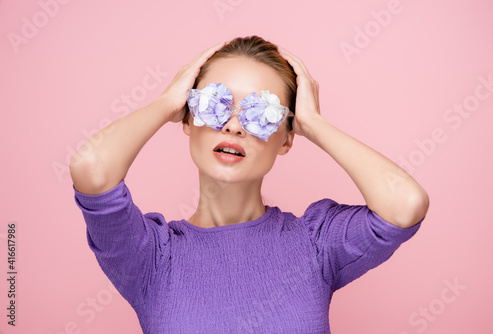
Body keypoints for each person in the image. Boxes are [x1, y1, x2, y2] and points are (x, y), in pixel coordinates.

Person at [70, 35, 429, 333]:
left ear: (287, 138)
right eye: (215, 103)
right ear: (187, 117)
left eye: (262, 113)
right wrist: (165, 103)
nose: (233, 126)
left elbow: (406, 204)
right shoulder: (149, 256)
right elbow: (91, 167)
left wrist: (314, 123)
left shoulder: (316, 243)